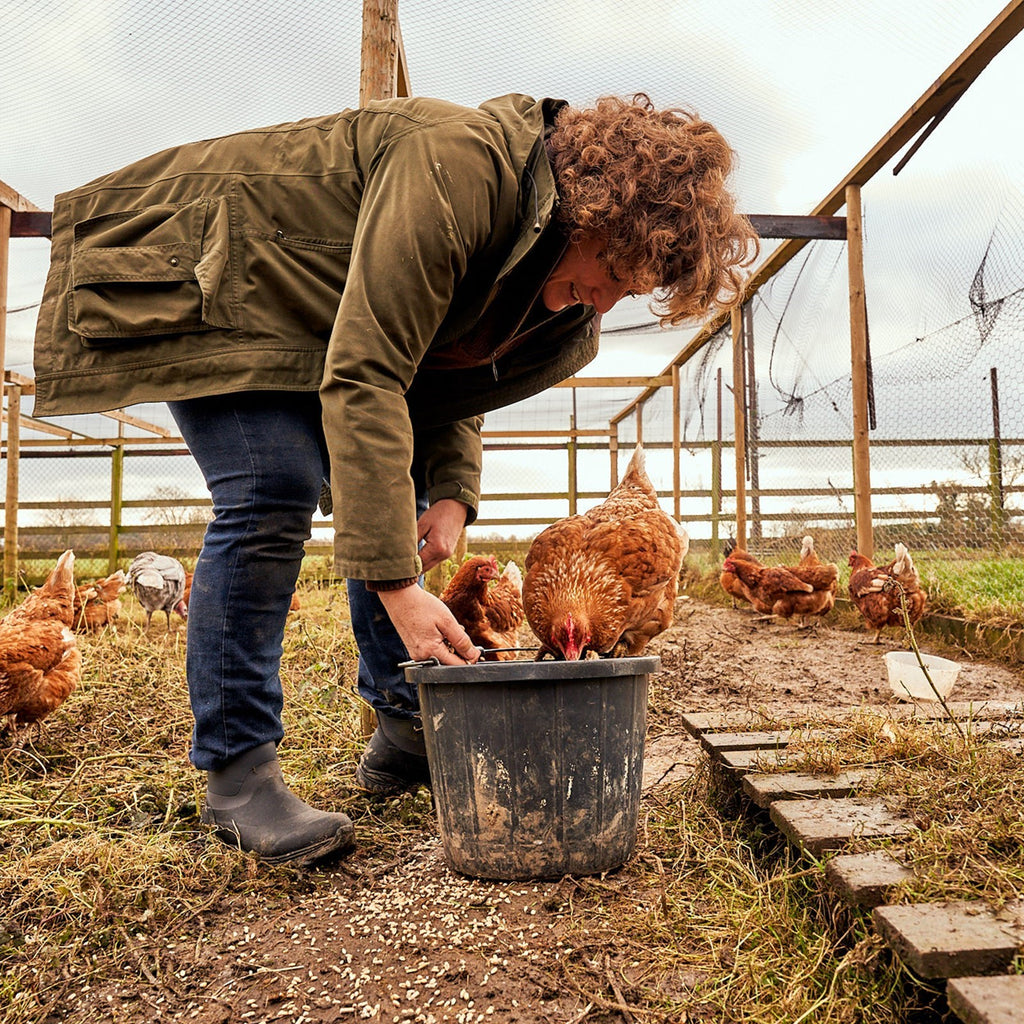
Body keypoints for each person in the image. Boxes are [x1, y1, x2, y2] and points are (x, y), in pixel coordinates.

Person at [32, 92, 758, 866]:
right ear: (589, 208)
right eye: (611, 268)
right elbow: (372, 368)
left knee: (398, 500)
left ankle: (407, 728)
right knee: (272, 488)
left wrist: (452, 493)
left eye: (631, 289)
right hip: (217, 269)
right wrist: (395, 585)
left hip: (314, 313)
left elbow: (452, 366)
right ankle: (239, 775)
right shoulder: (458, 168)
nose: (608, 301)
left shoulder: (546, 267)